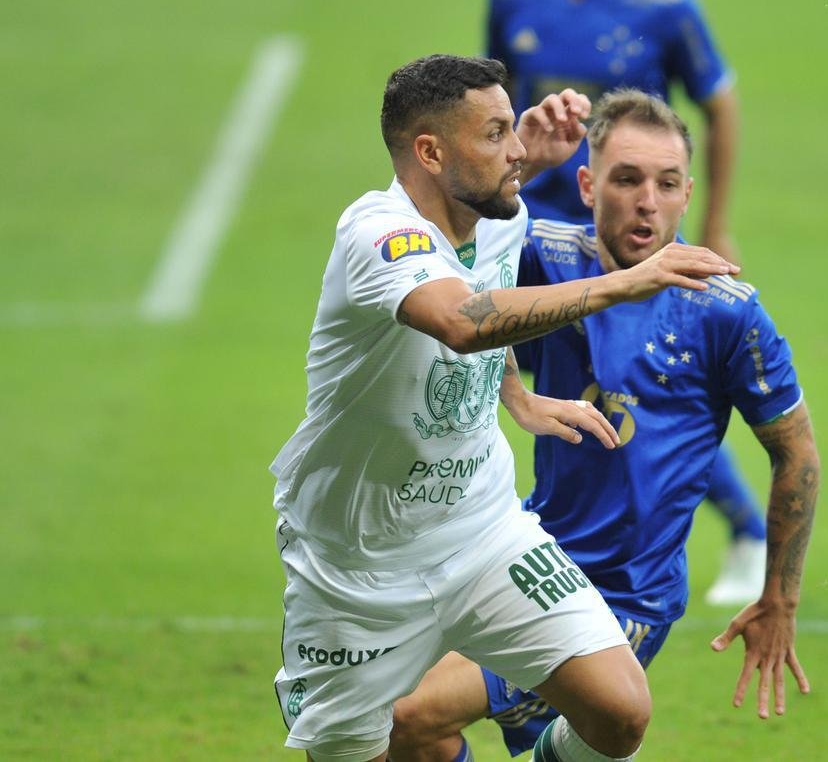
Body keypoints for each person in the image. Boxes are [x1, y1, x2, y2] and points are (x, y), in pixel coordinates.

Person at [270, 56, 738, 762]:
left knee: (619, 712)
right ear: (431, 152)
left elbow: (484, 317)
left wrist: (512, 393)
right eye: (494, 134)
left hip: (480, 532)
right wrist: (626, 284)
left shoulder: (501, 217)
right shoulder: (377, 235)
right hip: (357, 568)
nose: (517, 149)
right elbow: (461, 319)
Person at [388, 89, 819, 762]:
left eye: (666, 183)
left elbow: (798, 455)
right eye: (626, 179)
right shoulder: (552, 257)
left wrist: (779, 600)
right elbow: (438, 252)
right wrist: (522, 154)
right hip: (521, 564)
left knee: (410, 716)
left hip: (623, 602)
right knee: (382, 726)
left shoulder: (726, 313)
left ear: (686, 196)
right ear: (588, 185)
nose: (647, 199)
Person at [486, 0, 770, 605]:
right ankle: (522, 538)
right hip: (533, 236)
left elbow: (719, 105)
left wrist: (716, 223)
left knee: (634, 383)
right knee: (519, 375)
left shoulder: (663, 3)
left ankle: (744, 530)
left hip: (622, 243)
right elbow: (492, 109)